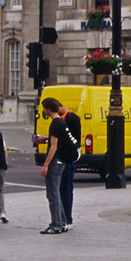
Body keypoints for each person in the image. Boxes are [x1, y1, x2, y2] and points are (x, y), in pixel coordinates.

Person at [38, 97, 78, 235]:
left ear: (49, 108)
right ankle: (61, 222)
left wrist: (46, 165)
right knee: (57, 193)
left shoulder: (55, 124)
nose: (43, 110)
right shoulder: (61, 122)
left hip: (56, 162)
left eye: (44, 107)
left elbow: (53, 147)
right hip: (62, 161)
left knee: (53, 194)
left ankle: (56, 225)